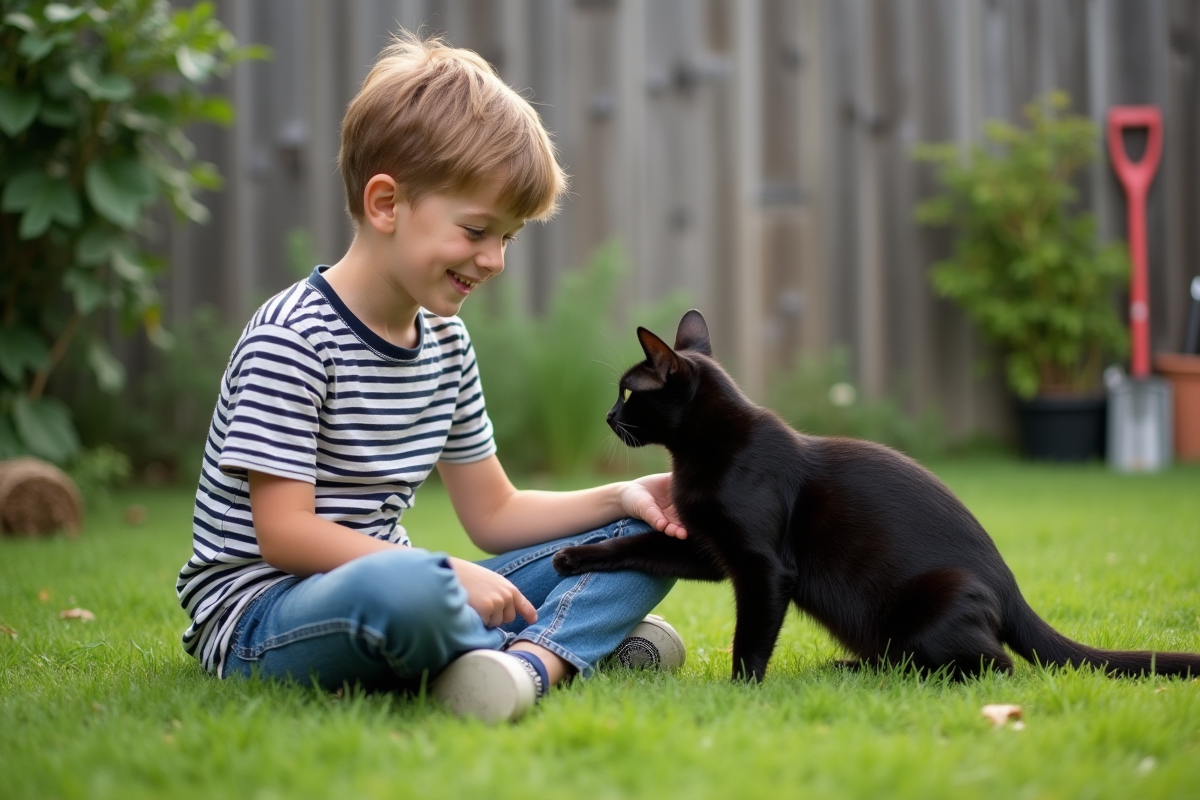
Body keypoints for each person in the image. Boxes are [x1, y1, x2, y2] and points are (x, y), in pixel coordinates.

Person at [176, 30, 687, 723]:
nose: (495, 260)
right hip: (266, 616)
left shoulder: (444, 340)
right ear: (387, 204)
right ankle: (561, 644)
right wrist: (443, 577)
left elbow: (494, 513)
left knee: (647, 546)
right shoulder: (291, 337)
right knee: (407, 595)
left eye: (507, 237)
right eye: (477, 231)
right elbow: (284, 535)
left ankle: (528, 665)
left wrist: (623, 497)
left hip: (408, 588)